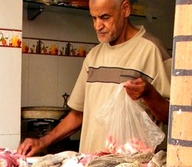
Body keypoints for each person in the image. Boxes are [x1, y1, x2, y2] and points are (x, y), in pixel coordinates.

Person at [17, 0, 171, 156]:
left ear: (125, 9)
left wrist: (149, 94)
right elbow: (78, 114)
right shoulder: (94, 56)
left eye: (105, 17)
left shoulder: (152, 51)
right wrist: (43, 141)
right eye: (94, 18)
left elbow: (174, 118)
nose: (97, 26)